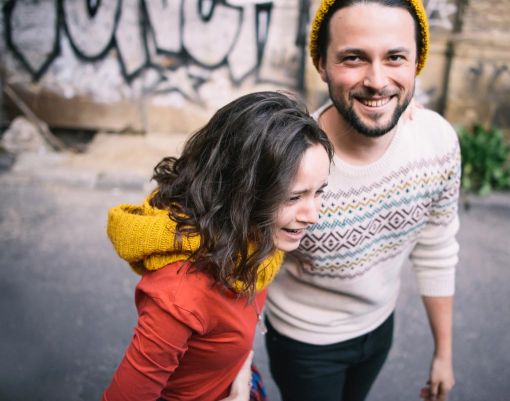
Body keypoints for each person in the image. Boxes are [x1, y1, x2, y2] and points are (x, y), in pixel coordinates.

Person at [264, 1, 460, 401]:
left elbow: (437, 247)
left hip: (379, 328)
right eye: (353, 58)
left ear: (416, 61)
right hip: (305, 342)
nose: (377, 80)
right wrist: (234, 362)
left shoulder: (437, 142)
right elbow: (242, 267)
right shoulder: (290, 160)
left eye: (395, 58)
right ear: (322, 64)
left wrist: (444, 353)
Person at [102, 91, 333, 401]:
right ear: (240, 190)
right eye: (293, 198)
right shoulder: (180, 296)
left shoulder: (251, 237)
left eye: (319, 192)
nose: (313, 215)